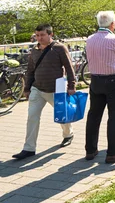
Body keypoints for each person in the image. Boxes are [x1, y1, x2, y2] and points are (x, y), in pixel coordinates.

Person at [12, 24, 76, 160]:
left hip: (55, 90)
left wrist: (72, 85)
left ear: (50, 35)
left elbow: (69, 68)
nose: (39, 38)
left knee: (62, 116)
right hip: (37, 89)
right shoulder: (34, 50)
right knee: (32, 117)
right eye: (37, 35)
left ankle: (68, 134)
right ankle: (29, 148)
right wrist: (27, 88)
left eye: (42, 35)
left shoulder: (59, 48)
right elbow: (30, 70)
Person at [85, 11, 115, 163]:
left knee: (94, 115)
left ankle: (90, 150)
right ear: (113, 24)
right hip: (113, 80)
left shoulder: (90, 39)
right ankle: (113, 152)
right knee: (114, 116)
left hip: (95, 80)